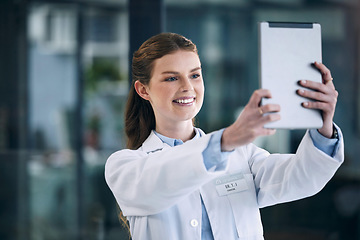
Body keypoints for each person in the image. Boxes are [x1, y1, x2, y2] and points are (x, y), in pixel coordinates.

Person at [105, 32, 344, 240]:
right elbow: (164, 178)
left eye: (195, 75)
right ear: (143, 90)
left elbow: (301, 178)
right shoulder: (125, 166)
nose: (188, 86)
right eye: (171, 78)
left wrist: (323, 125)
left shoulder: (243, 156)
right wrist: (226, 140)